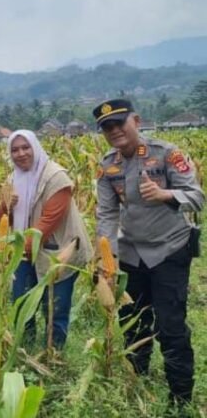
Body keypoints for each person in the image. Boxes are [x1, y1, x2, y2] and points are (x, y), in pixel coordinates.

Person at [95, 99, 204, 405]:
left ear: (136, 121)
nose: (114, 131)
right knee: (133, 324)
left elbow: (197, 197)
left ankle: (180, 397)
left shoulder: (166, 153)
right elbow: (107, 214)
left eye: (119, 123)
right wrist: (107, 259)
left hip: (169, 250)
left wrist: (164, 194)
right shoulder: (107, 165)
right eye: (107, 127)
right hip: (131, 255)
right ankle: (137, 384)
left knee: (170, 326)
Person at [0, 130, 92, 349]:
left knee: (55, 308)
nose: (21, 153)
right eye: (15, 150)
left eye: (25, 147)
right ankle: (25, 349)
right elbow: (1, 221)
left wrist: (17, 252)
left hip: (58, 252)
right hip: (24, 252)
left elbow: (49, 221)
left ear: (36, 147)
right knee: (21, 304)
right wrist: (5, 205)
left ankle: (54, 354)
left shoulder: (56, 177)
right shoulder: (13, 179)